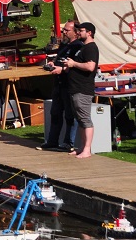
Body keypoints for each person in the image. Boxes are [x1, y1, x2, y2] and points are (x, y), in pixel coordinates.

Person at [55, 21, 100, 159]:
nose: (78, 33)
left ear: (89, 33)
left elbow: (90, 66)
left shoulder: (91, 48)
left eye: (81, 31)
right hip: (74, 88)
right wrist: (64, 68)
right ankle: (81, 147)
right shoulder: (83, 48)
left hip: (83, 89)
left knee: (85, 119)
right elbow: (75, 66)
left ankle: (87, 149)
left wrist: (73, 63)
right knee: (80, 119)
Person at [37, 21, 83, 151]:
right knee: (55, 112)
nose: (64, 32)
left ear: (75, 32)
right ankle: (52, 141)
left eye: (67, 30)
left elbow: (75, 65)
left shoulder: (78, 46)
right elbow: (60, 60)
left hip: (69, 84)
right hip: (58, 83)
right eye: (64, 30)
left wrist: (61, 69)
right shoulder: (64, 44)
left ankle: (69, 143)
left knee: (69, 114)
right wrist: (53, 64)